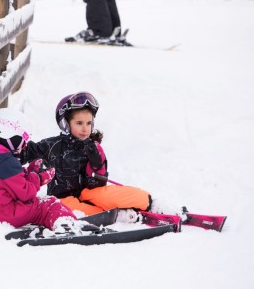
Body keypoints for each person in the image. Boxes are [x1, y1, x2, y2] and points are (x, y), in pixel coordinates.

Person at [21, 92, 169, 222]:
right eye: (79, 123)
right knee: (68, 209)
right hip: (62, 197)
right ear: (66, 123)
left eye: (89, 123)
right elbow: (28, 151)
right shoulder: (52, 145)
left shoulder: (93, 147)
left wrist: (97, 165)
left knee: (107, 195)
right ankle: (116, 215)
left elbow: (98, 185)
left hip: (88, 192)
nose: (85, 128)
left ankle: (149, 202)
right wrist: (6, 149)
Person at [0, 108, 89, 233]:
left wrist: (28, 172)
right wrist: (38, 178)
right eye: (23, 139)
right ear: (11, 136)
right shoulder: (7, 163)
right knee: (47, 204)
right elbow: (26, 194)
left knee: (39, 205)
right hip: (5, 214)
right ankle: (66, 226)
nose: (25, 145)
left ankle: (60, 221)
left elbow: (7, 182)